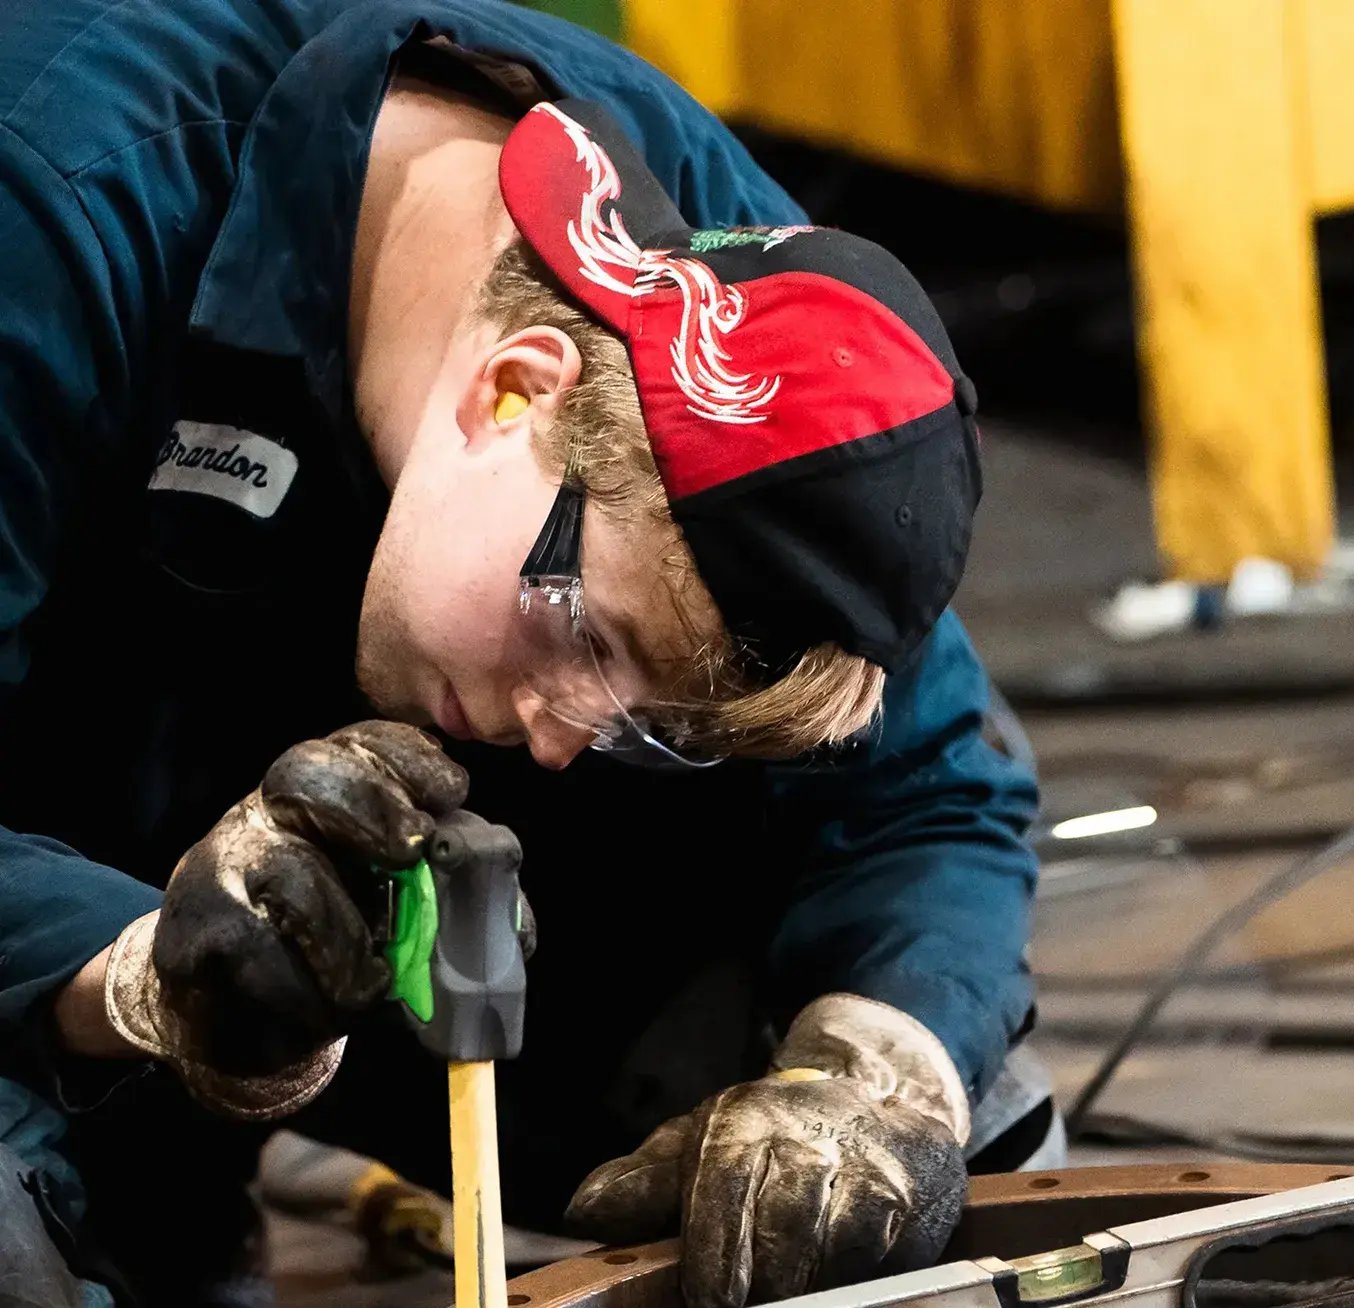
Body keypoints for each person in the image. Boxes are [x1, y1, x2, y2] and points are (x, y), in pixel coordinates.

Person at [0, 2, 1053, 1304]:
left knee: (933, 1131)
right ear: (517, 387)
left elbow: (932, 796)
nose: (563, 737)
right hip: (48, 910)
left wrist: (873, 1074)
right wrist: (148, 978)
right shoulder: (54, 196)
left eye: (640, 710)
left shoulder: (742, 310)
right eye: (589, 635)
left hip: (349, 921)